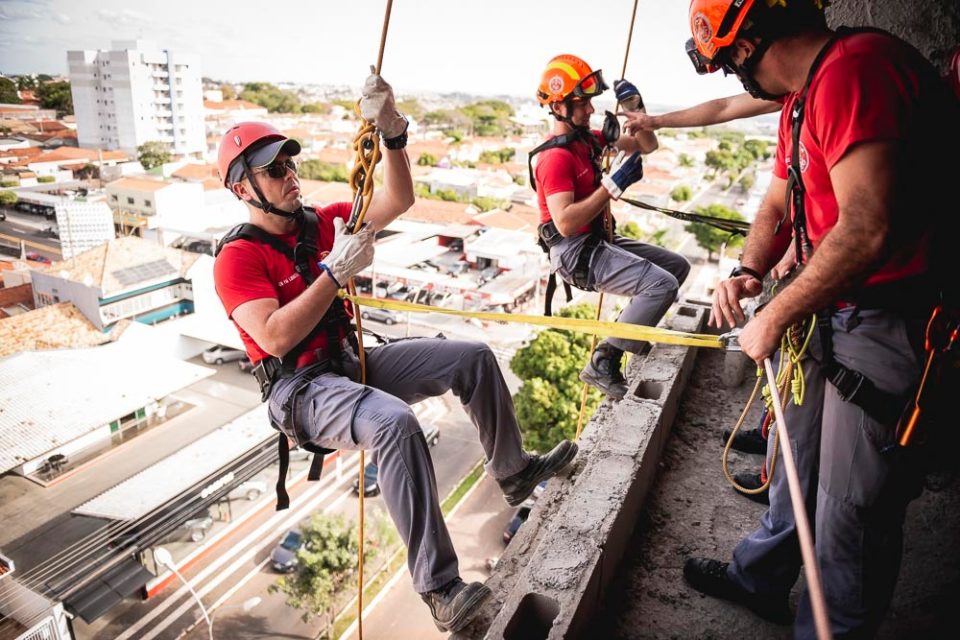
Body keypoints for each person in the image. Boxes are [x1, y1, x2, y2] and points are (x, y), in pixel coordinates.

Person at [212, 74, 578, 633]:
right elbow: (277, 337)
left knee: (473, 357)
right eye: (273, 170)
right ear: (242, 189)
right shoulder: (236, 258)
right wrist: (336, 272)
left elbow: (397, 199)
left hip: (348, 361)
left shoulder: (320, 223)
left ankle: (514, 472)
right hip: (301, 391)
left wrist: (394, 134)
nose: (290, 176)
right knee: (395, 422)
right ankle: (439, 588)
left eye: (289, 164)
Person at [680, 0, 958, 637]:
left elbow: (866, 228)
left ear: (746, 45)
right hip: (826, 308)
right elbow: (778, 204)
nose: (734, 79)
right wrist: (751, 271)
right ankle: (762, 578)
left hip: (886, 317)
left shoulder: (856, 70)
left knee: (850, 514)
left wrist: (774, 314)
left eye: (728, 64)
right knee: (793, 462)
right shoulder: (804, 101)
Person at [533, 54, 691, 400]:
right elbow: (565, 221)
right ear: (559, 106)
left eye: (591, 102)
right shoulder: (554, 158)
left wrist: (638, 111)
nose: (590, 110)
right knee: (661, 285)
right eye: (582, 103)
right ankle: (604, 360)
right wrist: (612, 187)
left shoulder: (588, 140)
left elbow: (647, 146)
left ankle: (628, 331)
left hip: (596, 239)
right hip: (574, 252)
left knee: (677, 267)